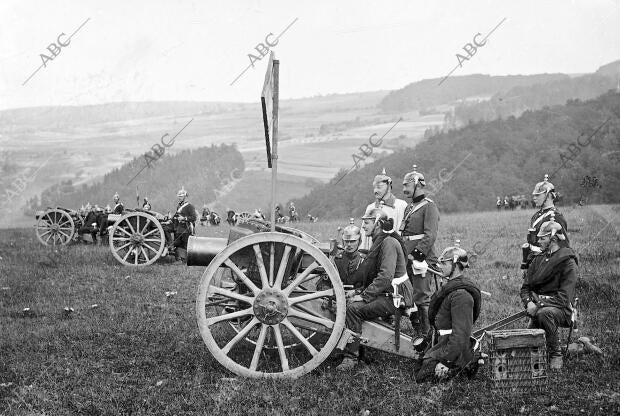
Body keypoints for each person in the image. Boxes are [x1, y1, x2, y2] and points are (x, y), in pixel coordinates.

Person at [336, 208, 414, 370]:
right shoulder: (380, 241)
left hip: (395, 295)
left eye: (367, 222)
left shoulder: (388, 243)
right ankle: (361, 349)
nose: (363, 226)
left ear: (378, 224)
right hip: (388, 293)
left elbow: (385, 277)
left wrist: (364, 296)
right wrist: (357, 292)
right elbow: (374, 276)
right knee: (352, 302)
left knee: (352, 309)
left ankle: (351, 356)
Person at [412, 244, 482, 383]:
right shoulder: (452, 287)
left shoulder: (462, 296)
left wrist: (447, 361)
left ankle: (463, 366)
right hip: (443, 340)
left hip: (455, 346)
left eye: (444, 263)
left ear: (455, 265)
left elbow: (461, 334)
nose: (440, 266)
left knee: (423, 378)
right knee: (418, 370)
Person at [520, 215, 577, 370]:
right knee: (524, 349)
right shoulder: (538, 260)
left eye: (542, 238)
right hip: (539, 308)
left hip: (561, 310)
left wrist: (538, 305)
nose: (538, 242)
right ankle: (579, 346)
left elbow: (564, 298)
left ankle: (555, 354)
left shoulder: (568, 262)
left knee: (544, 314)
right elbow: (525, 288)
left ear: (552, 239)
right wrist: (529, 302)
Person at [399, 165, 440, 336]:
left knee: (422, 297)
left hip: (421, 259)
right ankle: (419, 332)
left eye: (406, 185)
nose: (404, 189)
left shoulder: (429, 206)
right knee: (410, 295)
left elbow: (430, 235)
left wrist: (416, 255)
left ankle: (428, 335)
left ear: (417, 185)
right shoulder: (409, 208)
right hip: (407, 258)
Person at [520, 174, 569, 270]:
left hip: (547, 266)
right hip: (534, 264)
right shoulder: (536, 215)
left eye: (538, 195)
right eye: (534, 195)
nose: (534, 197)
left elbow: (563, 246)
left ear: (548, 196)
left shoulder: (556, 217)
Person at [359, 168, 408, 251]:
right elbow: (364, 234)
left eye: (379, 187)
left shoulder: (401, 205)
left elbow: (402, 231)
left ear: (388, 187)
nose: (375, 191)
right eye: (374, 188)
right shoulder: (371, 207)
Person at [165, 187, 197, 262]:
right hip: (178, 228)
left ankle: (187, 261)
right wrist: (170, 221)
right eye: (178, 196)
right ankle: (180, 259)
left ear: (185, 197)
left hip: (186, 228)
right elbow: (176, 216)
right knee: (178, 244)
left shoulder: (190, 206)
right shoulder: (179, 206)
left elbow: (193, 218)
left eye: (181, 196)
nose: (179, 198)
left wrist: (184, 218)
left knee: (186, 245)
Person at [334, 219, 363, 288]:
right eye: (347, 241)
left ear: (359, 241)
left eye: (353, 241)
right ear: (343, 241)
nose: (349, 244)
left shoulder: (363, 260)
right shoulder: (337, 259)